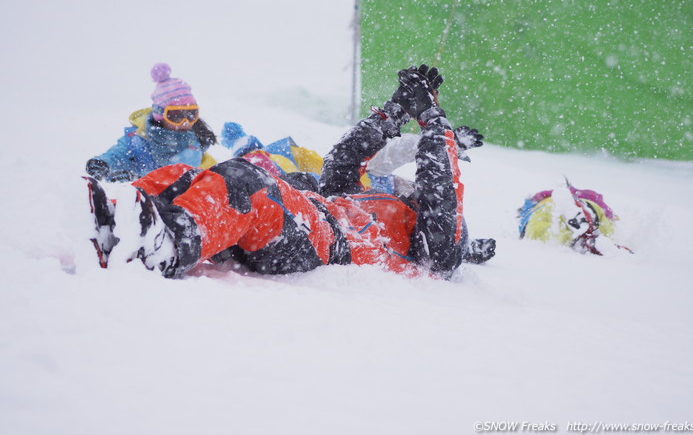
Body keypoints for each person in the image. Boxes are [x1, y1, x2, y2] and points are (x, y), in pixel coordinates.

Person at [82, 64, 495, 280]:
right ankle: (121, 213)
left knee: (247, 185)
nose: (412, 189)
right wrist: (395, 111)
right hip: (307, 218)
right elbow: (342, 164)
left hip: (325, 242)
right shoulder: (366, 199)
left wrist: (434, 120)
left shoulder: (436, 247)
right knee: (188, 174)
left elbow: (443, 188)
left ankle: (168, 246)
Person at [85, 63, 217, 182]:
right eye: (175, 116)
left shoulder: (194, 146)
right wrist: (103, 164)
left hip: (177, 203)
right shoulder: (138, 140)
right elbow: (117, 155)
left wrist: (139, 179)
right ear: (160, 115)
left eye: (191, 114)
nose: (184, 122)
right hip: (141, 202)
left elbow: (184, 180)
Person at [517, 180, 633, 255]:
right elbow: (606, 210)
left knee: (544, 235)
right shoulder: (584, 195)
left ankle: (577, 240)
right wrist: (610, 216)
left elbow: (525, 213)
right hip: (591, 208)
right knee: (608, 233)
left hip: (548, 209)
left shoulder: (539, 201)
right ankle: (599, 240)